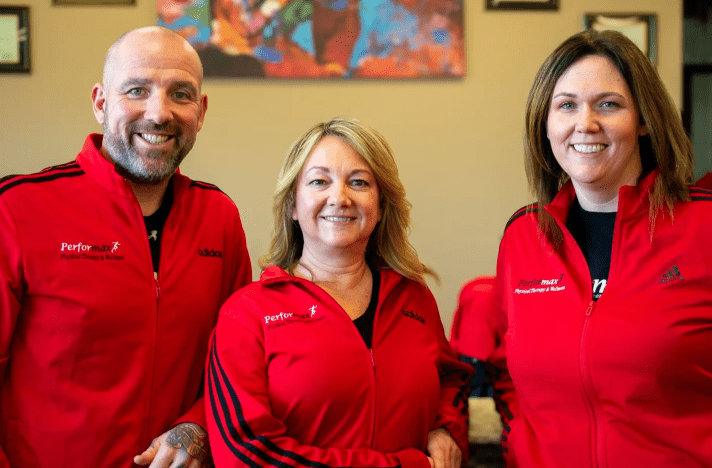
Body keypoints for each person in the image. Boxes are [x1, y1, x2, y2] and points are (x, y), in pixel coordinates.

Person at [0, 27, 252, 468]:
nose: (159, 114)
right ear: (100, 102)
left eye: (180, 94)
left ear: (201, 110)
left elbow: (235, 365)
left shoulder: (220, 218)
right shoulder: (17, 208)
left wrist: (198, 426)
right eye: (137, 90)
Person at [491, 29, 712, 468]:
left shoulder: (703, 227)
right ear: (546, 123)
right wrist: (520, 444)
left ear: (644, 120)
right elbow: (505, 372)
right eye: (567, 105)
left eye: (608, 104)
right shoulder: (523, 236)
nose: (585, 124)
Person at [205, 118, 471, 468]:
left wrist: (445, 428)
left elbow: (451, 379)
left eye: (359, 182)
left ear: (380, 206)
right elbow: (247, 455)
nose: (340, 198)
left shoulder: (413, 298)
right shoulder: (247, 313)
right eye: (319, 181)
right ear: (293, 207)